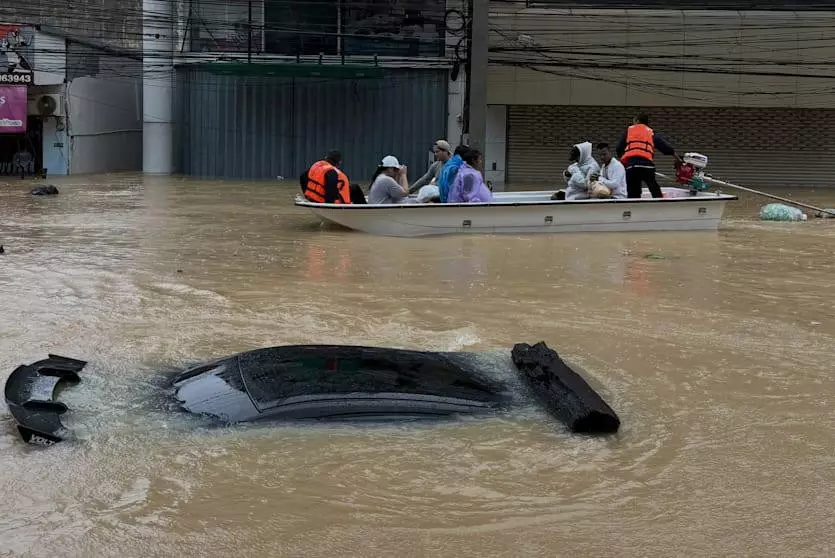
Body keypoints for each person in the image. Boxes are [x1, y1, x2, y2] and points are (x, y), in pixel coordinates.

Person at [616, 113, 681, 199]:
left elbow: (619, 148)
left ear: (637, 121)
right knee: (654, 188)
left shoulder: (629, 131)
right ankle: (660, 207)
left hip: (632, 166)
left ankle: (634, 209)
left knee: (633, 193)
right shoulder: (650, 132)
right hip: (647, 166)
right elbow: (664, 147)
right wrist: (677, 158)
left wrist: (625, 161)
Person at [300, 150, 365, 204]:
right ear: (339, 162)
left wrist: (307, 195)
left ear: (326, 158)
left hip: (312, 198)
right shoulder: (332, 172)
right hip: (326, 202)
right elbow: (331, 191)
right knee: (355, 188)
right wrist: (330, 204)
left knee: (350, 188)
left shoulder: (317, 166)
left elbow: (302, 177)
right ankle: (364, 209)